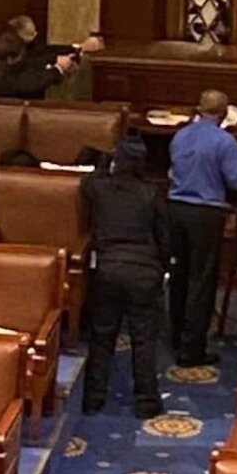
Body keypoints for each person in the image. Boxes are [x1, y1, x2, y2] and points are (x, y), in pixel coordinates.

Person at [167, 89, 237, 366]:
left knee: (179, 275)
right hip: (206, 214)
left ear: (198, 109)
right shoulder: (225, 142)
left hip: (175, 209)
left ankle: (175, 335)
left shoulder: (180, 136)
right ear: (225, 113)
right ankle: (192, 350)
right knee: (201, 282)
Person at [80, 135, 171, 420]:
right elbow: (164, 237)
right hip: (144, 271)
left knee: (103, 335)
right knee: (144, 338)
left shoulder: (99, 187)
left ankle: (94, 398)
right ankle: (146, 401)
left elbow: (85, 168)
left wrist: (106, 162)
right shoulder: (151, 193)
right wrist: (162, 265)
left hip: (108, 268)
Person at [0, 30, 75, 99]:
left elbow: (30, 61)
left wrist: (73, 49)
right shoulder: (2, 78)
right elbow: (32, 82)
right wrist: (59, 68)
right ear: (10, 59)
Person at [7, 15, 104, 69]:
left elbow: (47, 50)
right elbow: (34, 60)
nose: (35, 36)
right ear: (18, 33)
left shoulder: (29, 45)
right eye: (30, 34)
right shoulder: (12, 51)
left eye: (35, 32)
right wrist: (58, 65)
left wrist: (78, 47)